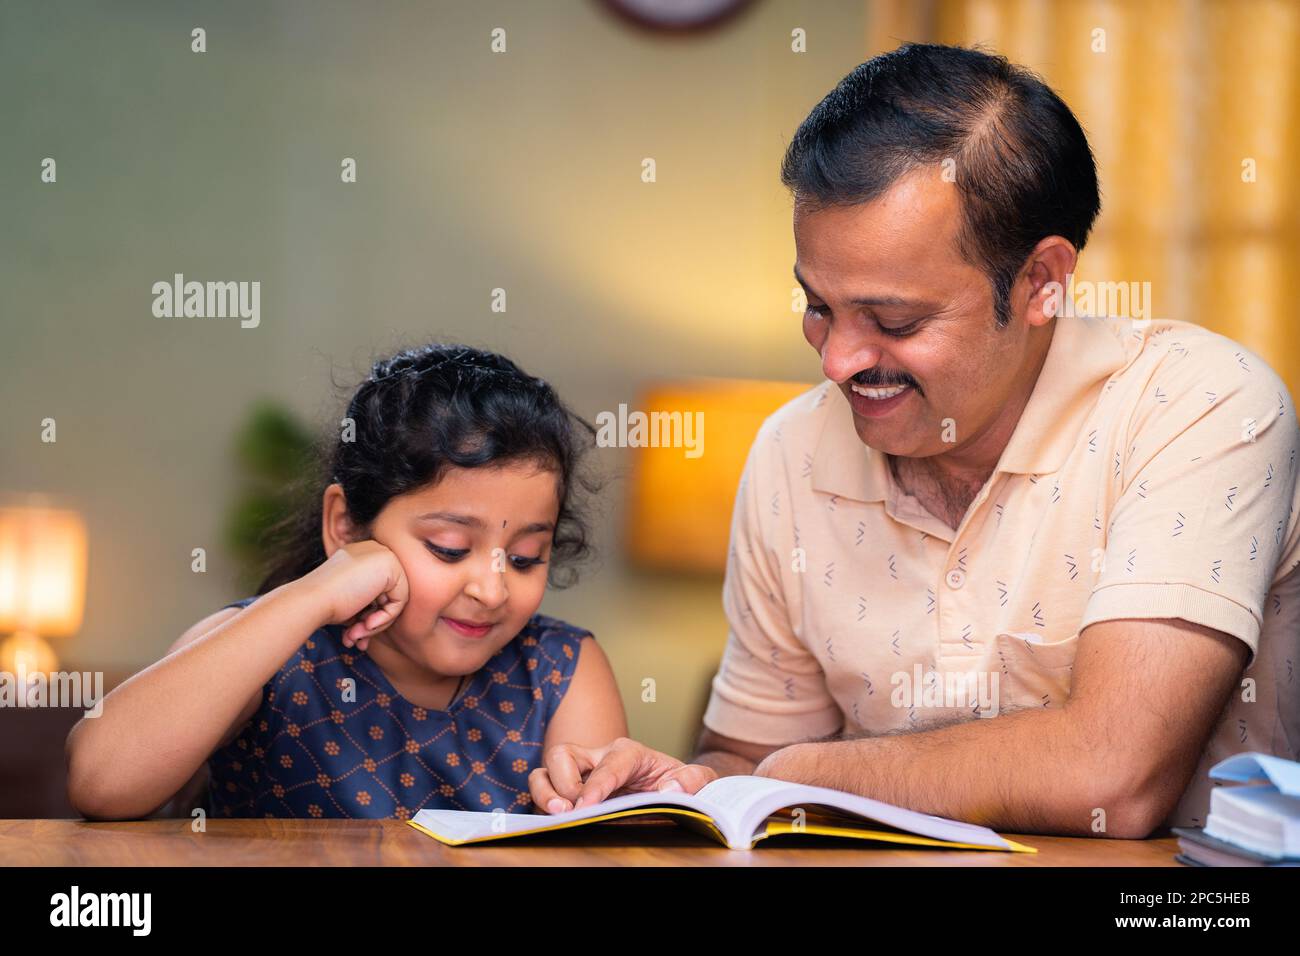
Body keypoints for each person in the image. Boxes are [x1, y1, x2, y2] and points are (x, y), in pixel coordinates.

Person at [530, 43, 1300, 839]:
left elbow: (1116, 774)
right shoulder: (792, 451)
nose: (836, 363)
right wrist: (687, 786)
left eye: (894, 322)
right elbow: (746, 762)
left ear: (1041, 281)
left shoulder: (1203, 406)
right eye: (817, 305)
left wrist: (799, 773)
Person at [65, 343, 708, 820]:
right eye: (449, 548)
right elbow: (100, 780)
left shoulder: (558, 669)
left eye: (524, 557)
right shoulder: (273, 648)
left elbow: (591, 840)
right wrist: (316, 591)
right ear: (345, 526)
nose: (491, 589)